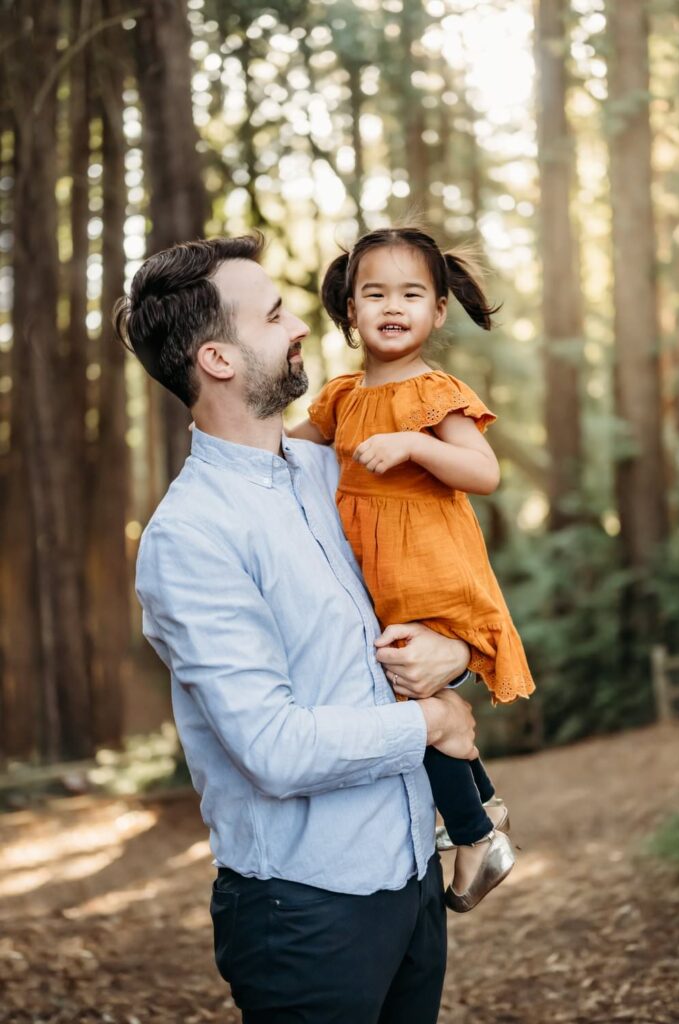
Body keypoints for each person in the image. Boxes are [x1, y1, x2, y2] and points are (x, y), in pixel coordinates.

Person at [114, 234, 483, 1024]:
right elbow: (274, 749)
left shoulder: (335, 472)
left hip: (413, 874)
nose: (302, 326)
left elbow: (434, 590)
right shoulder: (191, 537)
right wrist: (431, 717)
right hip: (304, 912)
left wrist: (451, 653)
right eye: (276, 313)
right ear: (217, 359)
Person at [289, 227, 534, 913]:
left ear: (437, 311)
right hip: (379, 587)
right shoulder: (339, 399)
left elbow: (482, 471)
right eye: (373, 293)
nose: (391, 306)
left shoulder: (434, 392)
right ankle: (483, 803)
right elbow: (285, 448)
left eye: (410, 293)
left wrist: (412, 446)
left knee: (412, 703)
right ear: (348, 311)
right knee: (410, 703)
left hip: (432, 579)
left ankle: (474, 834)